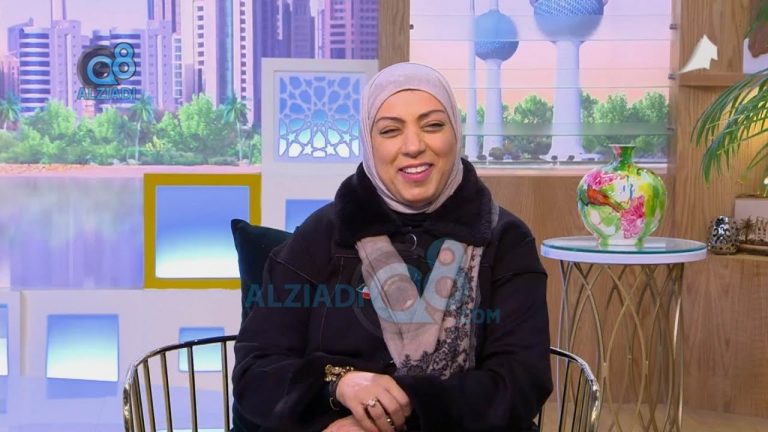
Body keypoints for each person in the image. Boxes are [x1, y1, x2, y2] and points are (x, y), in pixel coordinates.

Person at [233, 62, 552, 432]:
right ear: (369, 143)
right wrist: (340, 386)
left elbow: (519, 382)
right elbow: (256, 372)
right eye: (390, 130)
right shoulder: (320, 235)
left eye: (433, 125)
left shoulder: (506, 239)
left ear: (455, 132)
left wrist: (388, 414)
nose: (413, 146)